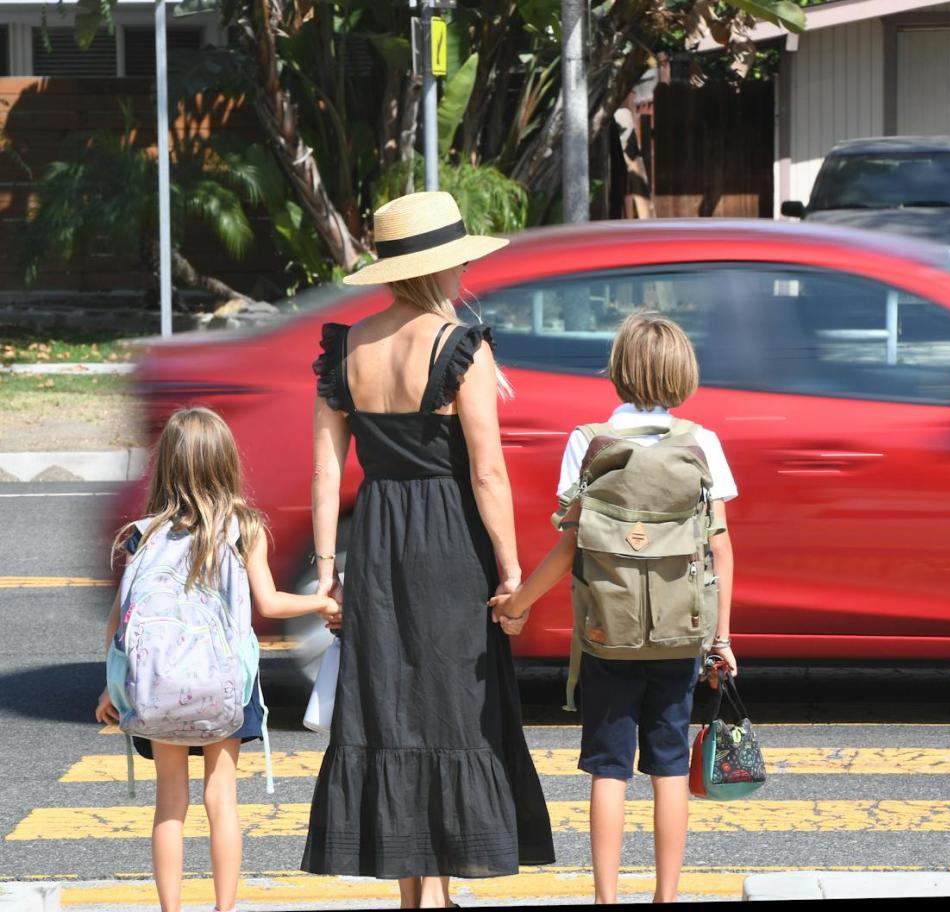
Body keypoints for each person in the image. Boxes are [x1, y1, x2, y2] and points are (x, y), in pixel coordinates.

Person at [302, 191, 555, 908]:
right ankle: (441, 890)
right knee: (451, 705)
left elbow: (326, 470)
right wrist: (510, 571)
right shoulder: (459, 347)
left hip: (378, 540)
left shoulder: (345, 349)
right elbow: (486, 470)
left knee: (393, 707)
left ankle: (415, 893)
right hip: (449, 540)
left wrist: (328, 574)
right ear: (446, 268)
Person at [489, 312, 739, 904]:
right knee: (670, 763)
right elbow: (721, 549)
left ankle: (606, 897)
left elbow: (569, 543)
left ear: (619, 373)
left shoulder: (590, 441)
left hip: (607, 632)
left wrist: (516, 602)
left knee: (609, 767)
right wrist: (720, 639)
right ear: (684, 373)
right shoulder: (701, 443)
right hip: (682, 633)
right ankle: (666, 896)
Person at [95, 406, 343, 912]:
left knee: (169, 804)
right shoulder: (244, 527)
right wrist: (323, 601)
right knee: (221, 800)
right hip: (223, 685)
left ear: (165, 466)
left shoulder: (142, 535)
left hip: (157, 686)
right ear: (227, 463)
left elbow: (121, 621)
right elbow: (271, 604)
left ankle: (171, 909)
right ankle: (224, 908)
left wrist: (110, 688)